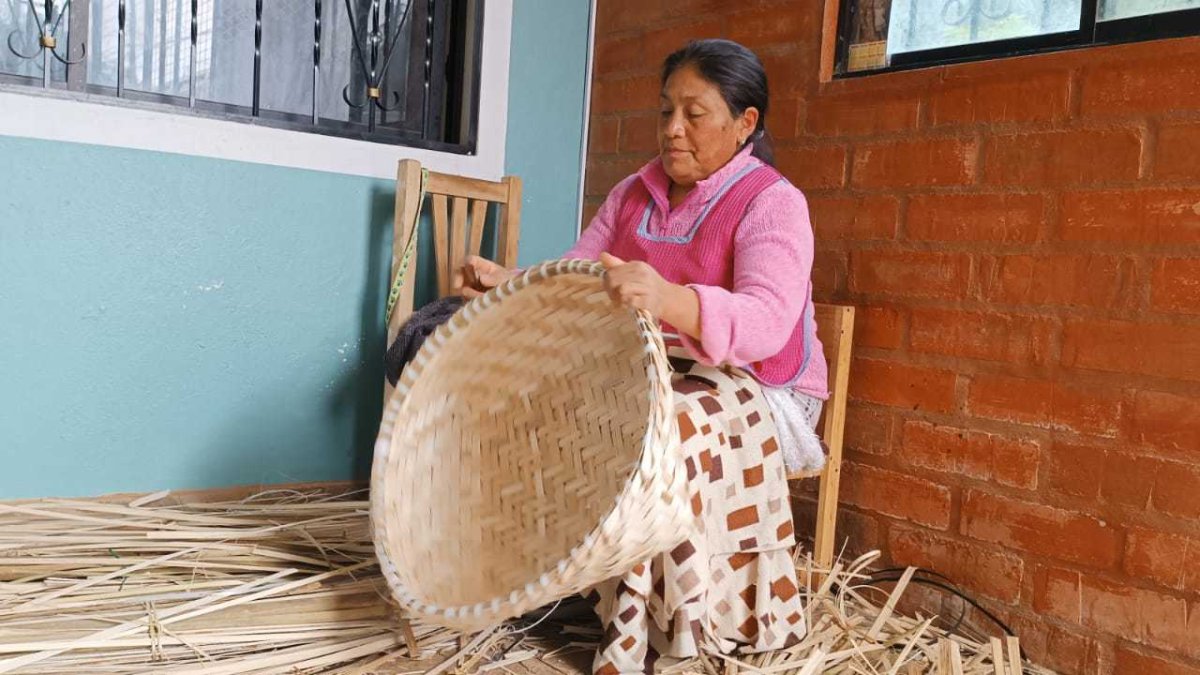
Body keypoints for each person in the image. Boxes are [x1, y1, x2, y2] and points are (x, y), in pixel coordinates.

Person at [454, 38, 828, 674]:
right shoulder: (635, 192)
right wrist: (511, 280)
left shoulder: (772, 202)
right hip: (658, 373)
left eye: (694, 113)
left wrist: (671, 299)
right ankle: (566, 582)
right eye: (664, 112)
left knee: (659, 433)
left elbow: (767, 323)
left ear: (746, 124)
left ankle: (666, 624)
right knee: (555, 403)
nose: (673, 130)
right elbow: (577, 271)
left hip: (761, 389)